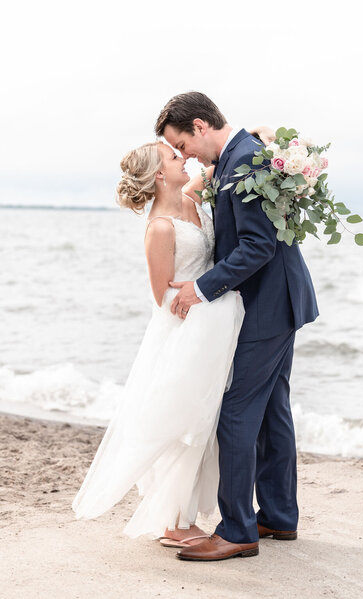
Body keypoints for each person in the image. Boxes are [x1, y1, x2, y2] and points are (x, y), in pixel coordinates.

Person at [155, 91, 319, 561]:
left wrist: (201, 288)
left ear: (201, 126)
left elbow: (256, 246)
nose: (183, 154)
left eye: (182, 143)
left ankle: (237, 530)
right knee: (271, 412)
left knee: (236, 413)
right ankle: (278, 517)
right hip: (277, 300)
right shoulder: (237, 157)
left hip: (269, 305)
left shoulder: (245, 160)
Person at [72, 140, 246, 548]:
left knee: (204, 423)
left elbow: (224, 156)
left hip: (209, 324)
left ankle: (181, 515)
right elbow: (162, 298)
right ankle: (173, 521)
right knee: (183, 425)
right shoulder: (160, 227)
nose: (182, 158)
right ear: (158, 175)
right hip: (186, 333)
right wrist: (214, 303)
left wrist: (261, 135)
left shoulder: (190, 198)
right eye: (173, 157)